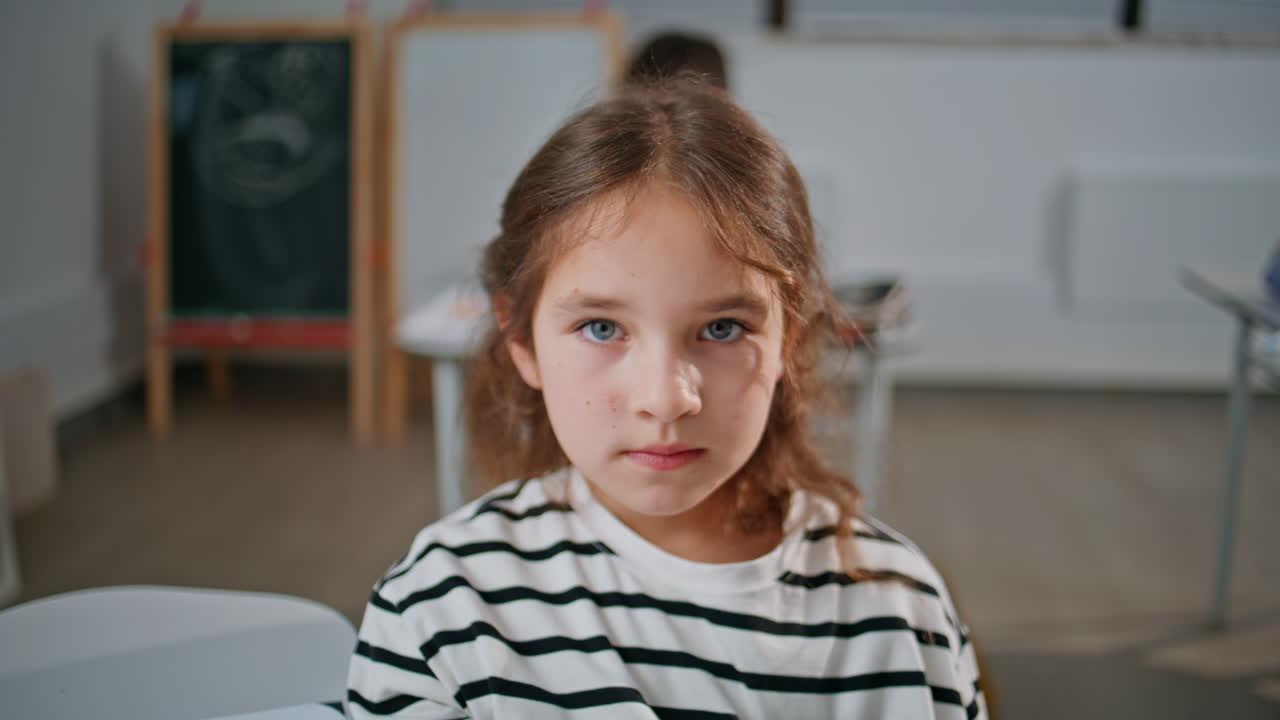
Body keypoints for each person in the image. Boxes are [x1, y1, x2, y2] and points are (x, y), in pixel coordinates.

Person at [346, 79, 987, 719]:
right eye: (602, 328)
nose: (665, 400)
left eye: (722, 328)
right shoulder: (444, 608)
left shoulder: (898, 616)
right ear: (523, 339)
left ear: (791, 340)